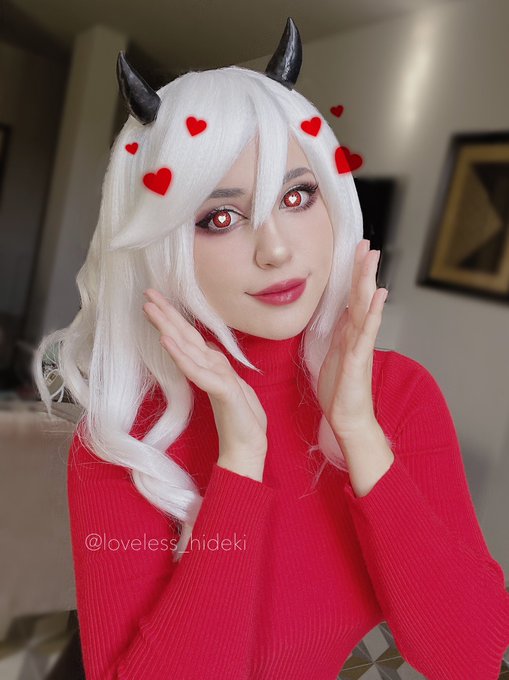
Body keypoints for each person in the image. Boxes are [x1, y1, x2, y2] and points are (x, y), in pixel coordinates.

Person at [32, 17, 509, 680]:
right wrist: (240, 465)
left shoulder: (399, 395)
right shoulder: (124, 433)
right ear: (164, 243)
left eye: (297, 194)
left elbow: (470, 659)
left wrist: (359, 433)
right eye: (221, 217)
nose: (276, 249)